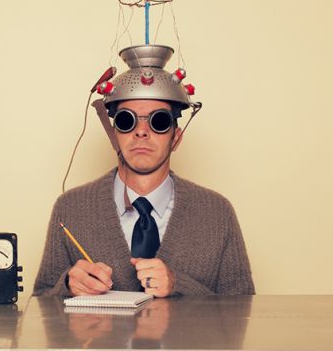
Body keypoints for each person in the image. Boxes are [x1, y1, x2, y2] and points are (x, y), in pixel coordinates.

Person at [33, 45, 255, 298]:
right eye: (127, 121)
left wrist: (178, 285)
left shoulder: (216, 212)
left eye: (158, 121)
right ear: (114, 134)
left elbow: (242, 315)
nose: (141, 132)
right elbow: (41, 309)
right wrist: (67, 288)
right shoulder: (71, 208)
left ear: (176, 137)